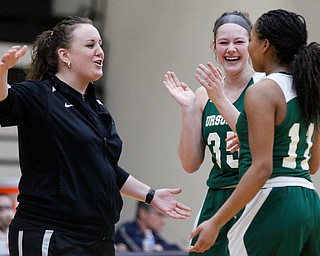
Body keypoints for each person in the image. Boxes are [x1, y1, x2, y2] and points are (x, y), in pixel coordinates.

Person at [0, 16, 192, 256]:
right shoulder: (40, 95)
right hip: (51, 233)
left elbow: (106, 169)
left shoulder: (97, 108)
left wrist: (150, 195)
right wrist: (1, 74)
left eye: (100, 44)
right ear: (65, 55)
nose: (100, 51)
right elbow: (4, 105)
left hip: (98, 239)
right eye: (90, 45)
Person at [188, 9, 320, 256]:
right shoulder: (309, 87)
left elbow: (262, 168)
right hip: (310, 202)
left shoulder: (263, 91)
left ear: (265, 45)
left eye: (251, 40)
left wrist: (216, 222)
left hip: (273, 201)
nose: (248, 48)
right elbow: (313, 164)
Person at [163, 11, 263, 256]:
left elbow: (259, 142)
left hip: (254, 195)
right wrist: (188, 109)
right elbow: (190, 163)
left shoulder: (263, 86)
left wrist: (219, 99)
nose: (231, 49)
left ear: (251, 45)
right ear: (214, 47)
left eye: (239, 42)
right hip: (216, 196)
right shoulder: (202, 95)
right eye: (223, 43)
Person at [114, 201, 183, 252]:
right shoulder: (126, 230)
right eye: (160, 215)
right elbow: (141, 251)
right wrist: (155, 249)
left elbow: (173, 249)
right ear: (143, 213)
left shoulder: (152, 235)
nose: (163, 221)